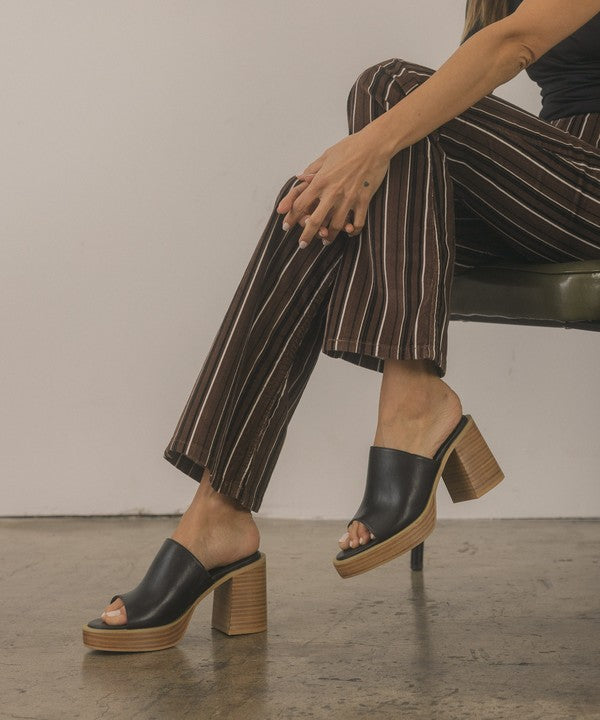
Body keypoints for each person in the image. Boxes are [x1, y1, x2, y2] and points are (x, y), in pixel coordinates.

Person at [82, 0, 600, 652]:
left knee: (389, 94)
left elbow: (511, 45)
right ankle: (218, 513)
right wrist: (362, 160)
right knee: (322, 203)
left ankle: (414, 405)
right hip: (548, 182)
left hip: (585, 183)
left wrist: (367, 146)